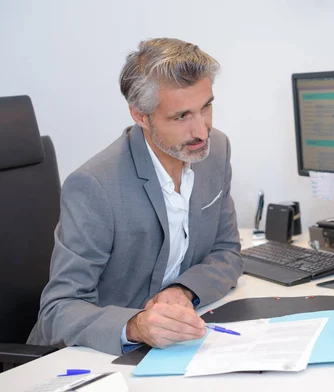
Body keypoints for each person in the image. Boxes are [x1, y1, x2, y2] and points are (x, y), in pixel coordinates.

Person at [28, 38, 244, 356]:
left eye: (206, 107)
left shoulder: (215, 150)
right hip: (93, 356)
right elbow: (57, 309)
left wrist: (183, 290)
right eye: (181, 116)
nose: (201, 130)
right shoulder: (93, 186)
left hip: (174, 345)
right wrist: (136, 326)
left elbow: (227, 252)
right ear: (140, 116)